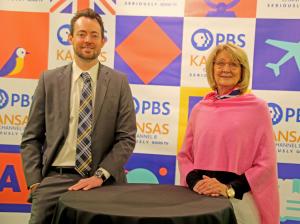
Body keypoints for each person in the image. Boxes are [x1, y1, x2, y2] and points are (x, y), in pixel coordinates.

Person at [20, 8, 136, 224]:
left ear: (103, 41)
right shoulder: (49, 80)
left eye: (94, 35)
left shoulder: (119, 82)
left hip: (103, 180)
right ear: (70, 37)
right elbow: (31, 138)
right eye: (82, 34)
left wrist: (101, 175)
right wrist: (36, 184)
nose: (88, 40)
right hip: (56, 178)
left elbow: (126, 138)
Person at [177, 43, 279, 224]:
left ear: (242, 71)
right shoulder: (200, 108)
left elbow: (266, 163)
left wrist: (229, 189)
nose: (226, 69)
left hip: (238, 201)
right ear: (212, 68)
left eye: (233, 64)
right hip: (200, 199)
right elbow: (185, 155)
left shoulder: (257, 109)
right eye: (220, 63)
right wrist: (196, 183)